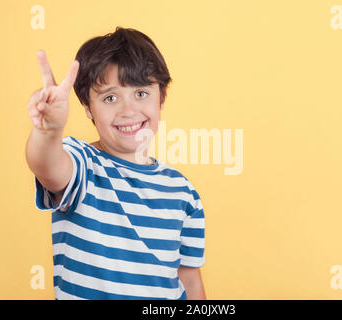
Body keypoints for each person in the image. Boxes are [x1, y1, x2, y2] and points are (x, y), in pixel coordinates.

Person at [25, 26, 206, 300]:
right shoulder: (83, 165)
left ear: (162, 97)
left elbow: (190, 280)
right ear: (88, 108)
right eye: (110, 97)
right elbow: (48, 168)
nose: (129, 110)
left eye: (141, 93)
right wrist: (48, 132)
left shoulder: (183, 191)